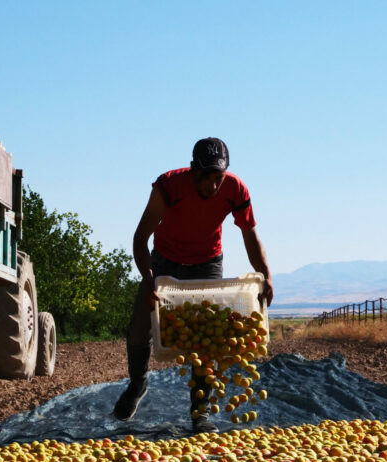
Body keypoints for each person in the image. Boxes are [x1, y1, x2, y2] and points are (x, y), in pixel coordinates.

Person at [113, 137, 274, 433]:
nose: (213, 186)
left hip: (207, 263)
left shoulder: (235, 189)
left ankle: (200, 413)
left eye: (218, 178)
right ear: (192, 170)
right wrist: (149, 282)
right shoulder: (168, 186)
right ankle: (137, 385)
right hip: (164, 261)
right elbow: (140, 238)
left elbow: (250, 236)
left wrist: (265, 273)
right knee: (139, 328)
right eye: (207, 178)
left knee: (205, 338)